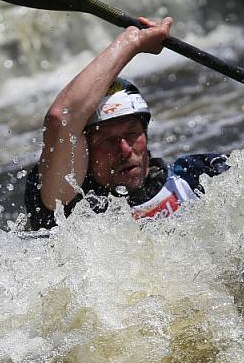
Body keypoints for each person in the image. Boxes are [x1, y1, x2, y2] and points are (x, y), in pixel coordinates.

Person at [25, 17, 228, 230]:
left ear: (146, 135)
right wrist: (133, 41)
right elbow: (61, 118)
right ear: (83, 151)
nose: (124, 149)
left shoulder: (197, 175)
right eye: (107, 140)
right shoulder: (66, 204)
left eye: (132, 134)